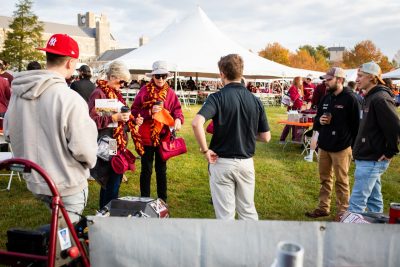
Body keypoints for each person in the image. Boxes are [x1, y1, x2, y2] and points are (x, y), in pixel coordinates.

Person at [4, 33, 98, 223]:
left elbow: (8, 133)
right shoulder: (69, 99)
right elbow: (85, 151)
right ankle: (56, 250)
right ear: (71, 63)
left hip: (36, 179)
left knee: (59, 233)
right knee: (65, 243)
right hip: (66, 183)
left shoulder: (18, 94)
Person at [192, 54, 271, 220]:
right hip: (245, 163)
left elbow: (196, 123)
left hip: (222, 162)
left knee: (225, 216)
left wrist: (205, 150)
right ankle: (251, 245)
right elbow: (265, 137)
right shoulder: (255, 100)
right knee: (248, 212)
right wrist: (246, 133)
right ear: (241, 73)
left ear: (222, 73)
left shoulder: (217, 97)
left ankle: (228, 246)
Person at [305, 67, 360, 220]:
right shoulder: (326, 97)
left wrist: (354, 148)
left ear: (340, 80)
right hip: (324, 145)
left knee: (342, 181)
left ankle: (343, 213)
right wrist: (320, 121)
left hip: (342, 147)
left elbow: (357, 126)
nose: (325, 82)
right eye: (325, 79)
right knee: (324, 179)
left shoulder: (351, 98)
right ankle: (323, 207)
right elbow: (316, 121)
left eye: (329, 80)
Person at [88, 61, 143, 209]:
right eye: (122, 81)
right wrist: (114, 118)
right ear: (112, 76)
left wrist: (131, 121)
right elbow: (91, 121)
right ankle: (107, 212)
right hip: (106, 142)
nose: (123, 85)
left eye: (126, 82)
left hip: (115, 141)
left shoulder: (116, 94)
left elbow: (120, 119)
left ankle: (106, 211)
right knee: (111, 179)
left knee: (113, 179)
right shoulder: (98, 93)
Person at [348, 61, 400, 214]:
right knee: (374, 202)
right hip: (368, 157)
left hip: (372, 159)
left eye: (360, 76)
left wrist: (391, 151)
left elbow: (395, 127)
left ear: (371, 77)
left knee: (356, 205)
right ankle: (378, 231)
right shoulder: (370, 97)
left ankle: (348, 236)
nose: (357, 79)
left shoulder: (380, 98)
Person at [131, 60, 183, 202]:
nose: (160, 79)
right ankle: (144, 201)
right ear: (152, 77)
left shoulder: (171, 93)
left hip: (163, 137)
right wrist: (149, 111)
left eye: (163, 76)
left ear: (167, 77)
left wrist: (178, 120)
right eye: (157, 76)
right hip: (147, 137)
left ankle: (162, 201)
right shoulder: (144, 91)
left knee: (161, 170)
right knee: (146, 170)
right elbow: (134, 111)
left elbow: (177, 110)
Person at [279, 76, 304, 143]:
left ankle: (294, 138)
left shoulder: (297, 88)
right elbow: (293, 98)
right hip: (293, 109)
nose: (302, 82)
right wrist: (298, 94)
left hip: (298, 108)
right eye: (301, 80)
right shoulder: (293, 88)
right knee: (289, 124)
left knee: (294, 124)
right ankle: (282, 139)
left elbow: (299, 99)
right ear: (297, 81)